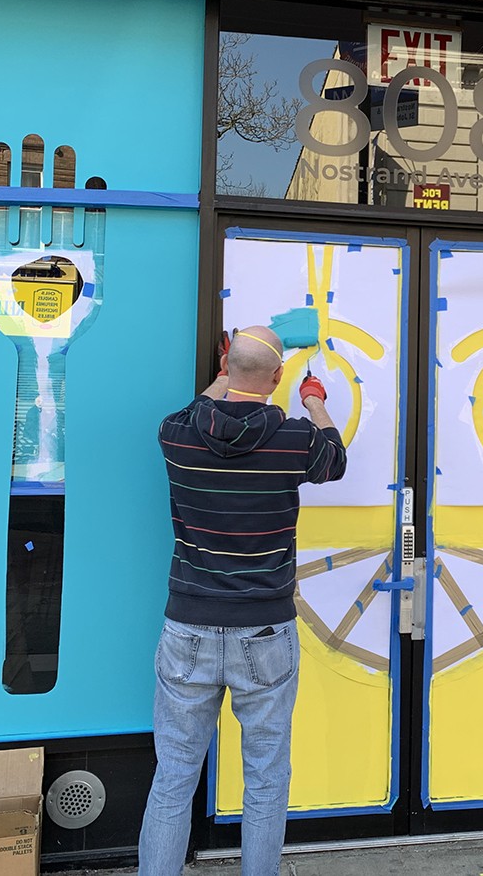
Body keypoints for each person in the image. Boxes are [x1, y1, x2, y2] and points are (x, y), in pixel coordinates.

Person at [139, 324, 347, 876]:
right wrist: (313, 400)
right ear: (277, 379)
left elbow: (199, 406)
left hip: (188, 628)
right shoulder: (295, 440)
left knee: (173, 778)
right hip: (265, 633)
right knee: (266, 780)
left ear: (226, 367)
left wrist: (226, 368)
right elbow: (335, 458)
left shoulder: (177, 435)